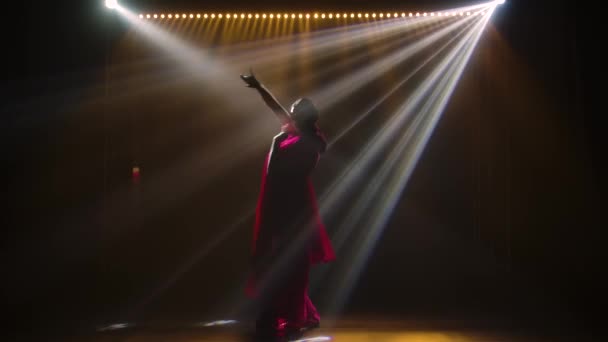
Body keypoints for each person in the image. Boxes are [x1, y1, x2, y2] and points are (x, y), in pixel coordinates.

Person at [240, 70, 335, 340]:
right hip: (275, 201)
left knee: (293, 260)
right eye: (290, 110)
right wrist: (258, 86)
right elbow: (275, 107)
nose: (289, 114)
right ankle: (276, 313)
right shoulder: (291, 131)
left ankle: (290, 315)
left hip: (294, 205)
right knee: (274, 258)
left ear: (305, 116)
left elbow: (312, 152)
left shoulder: (313, 139)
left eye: (294, 111)